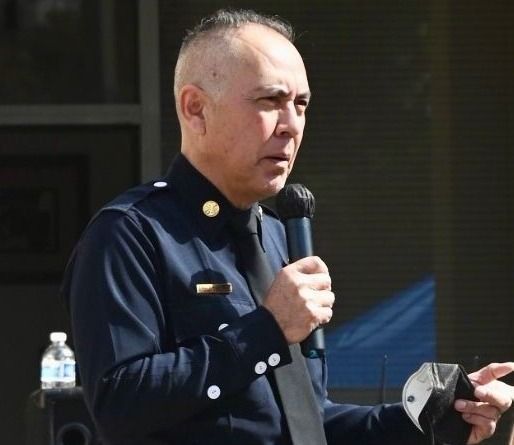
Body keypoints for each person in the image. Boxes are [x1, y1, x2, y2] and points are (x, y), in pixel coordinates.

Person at [61, 8, 514, 445]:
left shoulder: (279, 234)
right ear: (195, 108)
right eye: (270, 101)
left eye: (301, 104)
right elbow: (119, 407)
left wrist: (429, 421)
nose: (292, 125)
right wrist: (266, 330)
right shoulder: (131, 234)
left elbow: (305, 423)